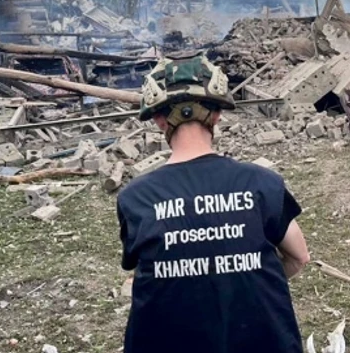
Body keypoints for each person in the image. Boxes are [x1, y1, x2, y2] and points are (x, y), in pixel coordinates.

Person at [116, 53, 310, 353]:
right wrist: (245, 284)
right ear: (217, 115)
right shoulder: (263, 184)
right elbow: (299, 257)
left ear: (158, 120)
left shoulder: (135, 198)